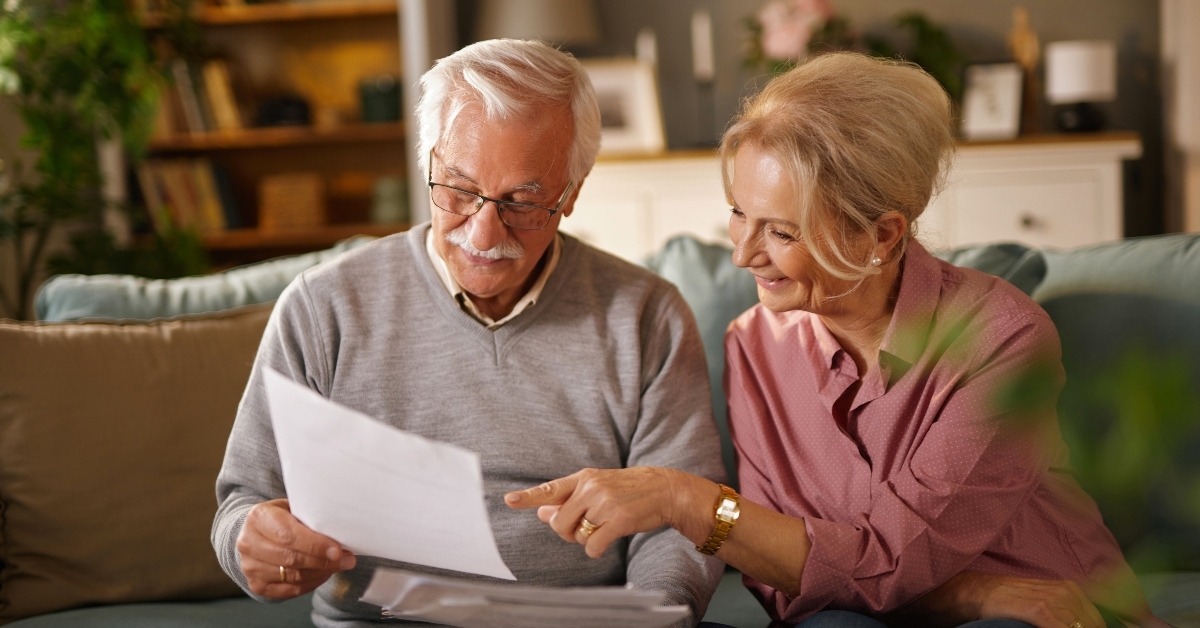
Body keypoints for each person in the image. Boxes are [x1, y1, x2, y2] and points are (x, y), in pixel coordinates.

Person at [506, 53, 1168, 628]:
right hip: (891, 611)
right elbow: (779, 585)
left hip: (1042, 606)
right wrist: (971, 592)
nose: (743, 254)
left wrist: (689, 500)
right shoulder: (755, 345)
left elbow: (888, 562)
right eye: (739, 213)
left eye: (782, 233)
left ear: (880, 235)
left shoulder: (1001, 338)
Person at [211, 39, 726, 627]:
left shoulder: (647, 316)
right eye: (458, 190)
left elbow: (679, 522)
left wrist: (658, 613)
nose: (482, 234)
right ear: (429, 162)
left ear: (572, 193)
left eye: (522, 202)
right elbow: (243, 501)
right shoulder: (323, 307)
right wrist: (253, 543)